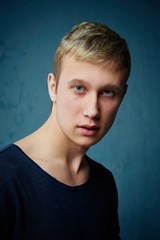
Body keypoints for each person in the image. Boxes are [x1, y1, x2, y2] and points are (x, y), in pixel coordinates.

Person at [0, 21, 131, 240]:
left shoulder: (104, 183)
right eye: (79, 88)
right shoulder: (6, 178)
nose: (92, 111)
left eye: (107, 92)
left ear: (122, 95)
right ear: (53, 87)